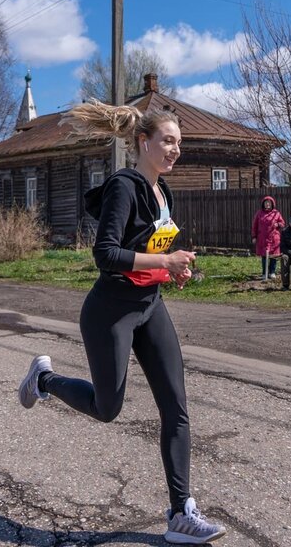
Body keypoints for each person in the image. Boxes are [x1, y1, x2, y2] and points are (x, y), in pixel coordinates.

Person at [16, 101, 227, 544]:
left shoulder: (163, 192)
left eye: (179, 143)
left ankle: (181, 512)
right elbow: (106, 254)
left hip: (150, 306)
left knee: (176, 406)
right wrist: (165, 258)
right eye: (168, 141)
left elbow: (148, 249)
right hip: (110, 311)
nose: (175, 150)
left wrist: (172, 269)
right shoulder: (124, 186)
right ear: (143, 142)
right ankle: (45, 379)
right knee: (107, 408)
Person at [251, 196, 284, 280]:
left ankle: (272, 272)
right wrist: (254, 236)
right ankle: (264, 273)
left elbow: (282, 223)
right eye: (266, 203)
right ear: (263, 204)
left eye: (269, 203)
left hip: (274, 238)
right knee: (264, 256)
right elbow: (254, 225)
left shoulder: (276, 213)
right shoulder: (259, 213)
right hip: (262, 238)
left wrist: (278, 224)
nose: (267, 204)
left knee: (273, 256)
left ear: (272, 204)